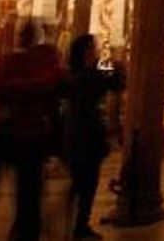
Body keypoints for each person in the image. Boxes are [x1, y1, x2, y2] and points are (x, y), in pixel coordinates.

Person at [0, 20, 63, 241]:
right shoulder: (35, 62)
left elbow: (2, 90)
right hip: (24, 136)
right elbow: (48, 89)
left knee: (28, 191)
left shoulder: (16, 62)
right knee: (29, 190)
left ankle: (26, 228)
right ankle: (26, 228)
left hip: (21, 135)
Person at [64, 34, 124, 240]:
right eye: (89, 48)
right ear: (80, 52)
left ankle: (78, 223)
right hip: (81, 135)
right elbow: (108, 84)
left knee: (85, 183)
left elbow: (114, 84)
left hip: (89, 135)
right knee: (83, 182)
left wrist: (115, 69)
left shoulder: (87, 74)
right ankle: (74, 223)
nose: (93, 51)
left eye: (93, 48)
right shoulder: (81, 76)